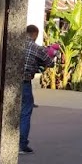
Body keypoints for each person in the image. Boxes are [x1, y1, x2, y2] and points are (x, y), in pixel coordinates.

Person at [20, 24, 54, 154]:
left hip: (10, 83)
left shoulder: (16, 44)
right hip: (25, 82)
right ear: (34, 34)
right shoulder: (36, 48)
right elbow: (50, 63)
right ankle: (22, 144)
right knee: (25, 112)